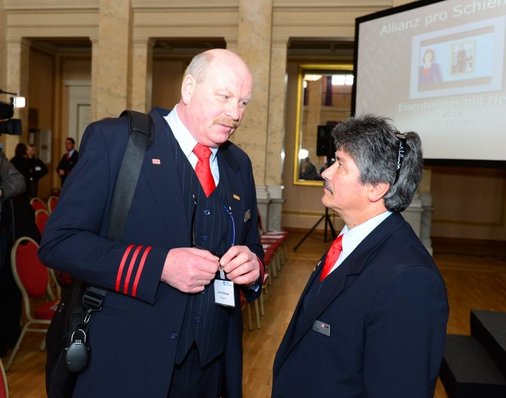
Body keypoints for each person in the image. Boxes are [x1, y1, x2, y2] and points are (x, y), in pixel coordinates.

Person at [39, 48, 264, 398]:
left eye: (244, 103)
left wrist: (253, 266)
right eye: (225, 97)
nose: (235, 113)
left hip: (210, 370)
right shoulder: (118, 142)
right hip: (126, 365)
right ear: (188, 89)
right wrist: (160, 265)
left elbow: (251, 245)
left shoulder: (239, 165)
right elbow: (60, 242)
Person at [272, 115, 448, 397]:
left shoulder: (410, 279)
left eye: (340, 164)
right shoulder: (349, 241)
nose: (326, 172)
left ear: (376, 188)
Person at [0, 149, 26, 358]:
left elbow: (19, 181)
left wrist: (1, 191)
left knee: (5, 286)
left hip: (3, 234)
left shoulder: (1, 160)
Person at [9, 143, 41, 242]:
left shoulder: (11, 162)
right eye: (27, 150)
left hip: (13, 195)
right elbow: (26, 179)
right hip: (23, 194)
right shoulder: (25, 162)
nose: (29, 152)